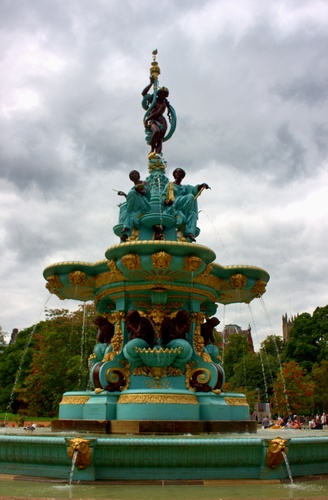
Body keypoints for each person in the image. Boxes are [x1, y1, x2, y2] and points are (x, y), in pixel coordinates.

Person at [162, 168, 210, 242]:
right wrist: (165, 201)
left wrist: (202, 186)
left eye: (180, 172)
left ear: (183, 176)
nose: (178, 173)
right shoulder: (169, 185)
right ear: (174, 175)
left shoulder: (185, 187)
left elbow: (194, 190)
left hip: (183, 206)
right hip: (173, 204)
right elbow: (163, 196)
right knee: (190, 196)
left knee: (193, 214)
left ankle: (189, 232)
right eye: (177, 172)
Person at [120, 170, 151, 241]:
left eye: (135, 173)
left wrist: (138, 190)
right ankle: (126, 232)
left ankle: (126, 226)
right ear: (130, 178)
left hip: (144, 204)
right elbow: (130, 199)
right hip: (135, 206)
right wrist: (124, 194)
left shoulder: (144, 183)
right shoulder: (133, 189)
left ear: (138, 175)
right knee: (126, 208)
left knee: (129, 206)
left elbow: (145, 193)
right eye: (132, 174)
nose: (134, 175)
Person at [142, 76, 170, 154]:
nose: (163, 95)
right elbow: (143, 94)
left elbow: (157, 113)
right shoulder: (153, 99)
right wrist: (151, 83)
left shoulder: (163, 104)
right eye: (161, 93)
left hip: (161, 121)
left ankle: (157, 155)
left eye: (165, 94)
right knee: (156, 131)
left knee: (160, 139)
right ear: (159, 93)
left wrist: (147, 119)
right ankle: (152, 150)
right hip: (152, 120)